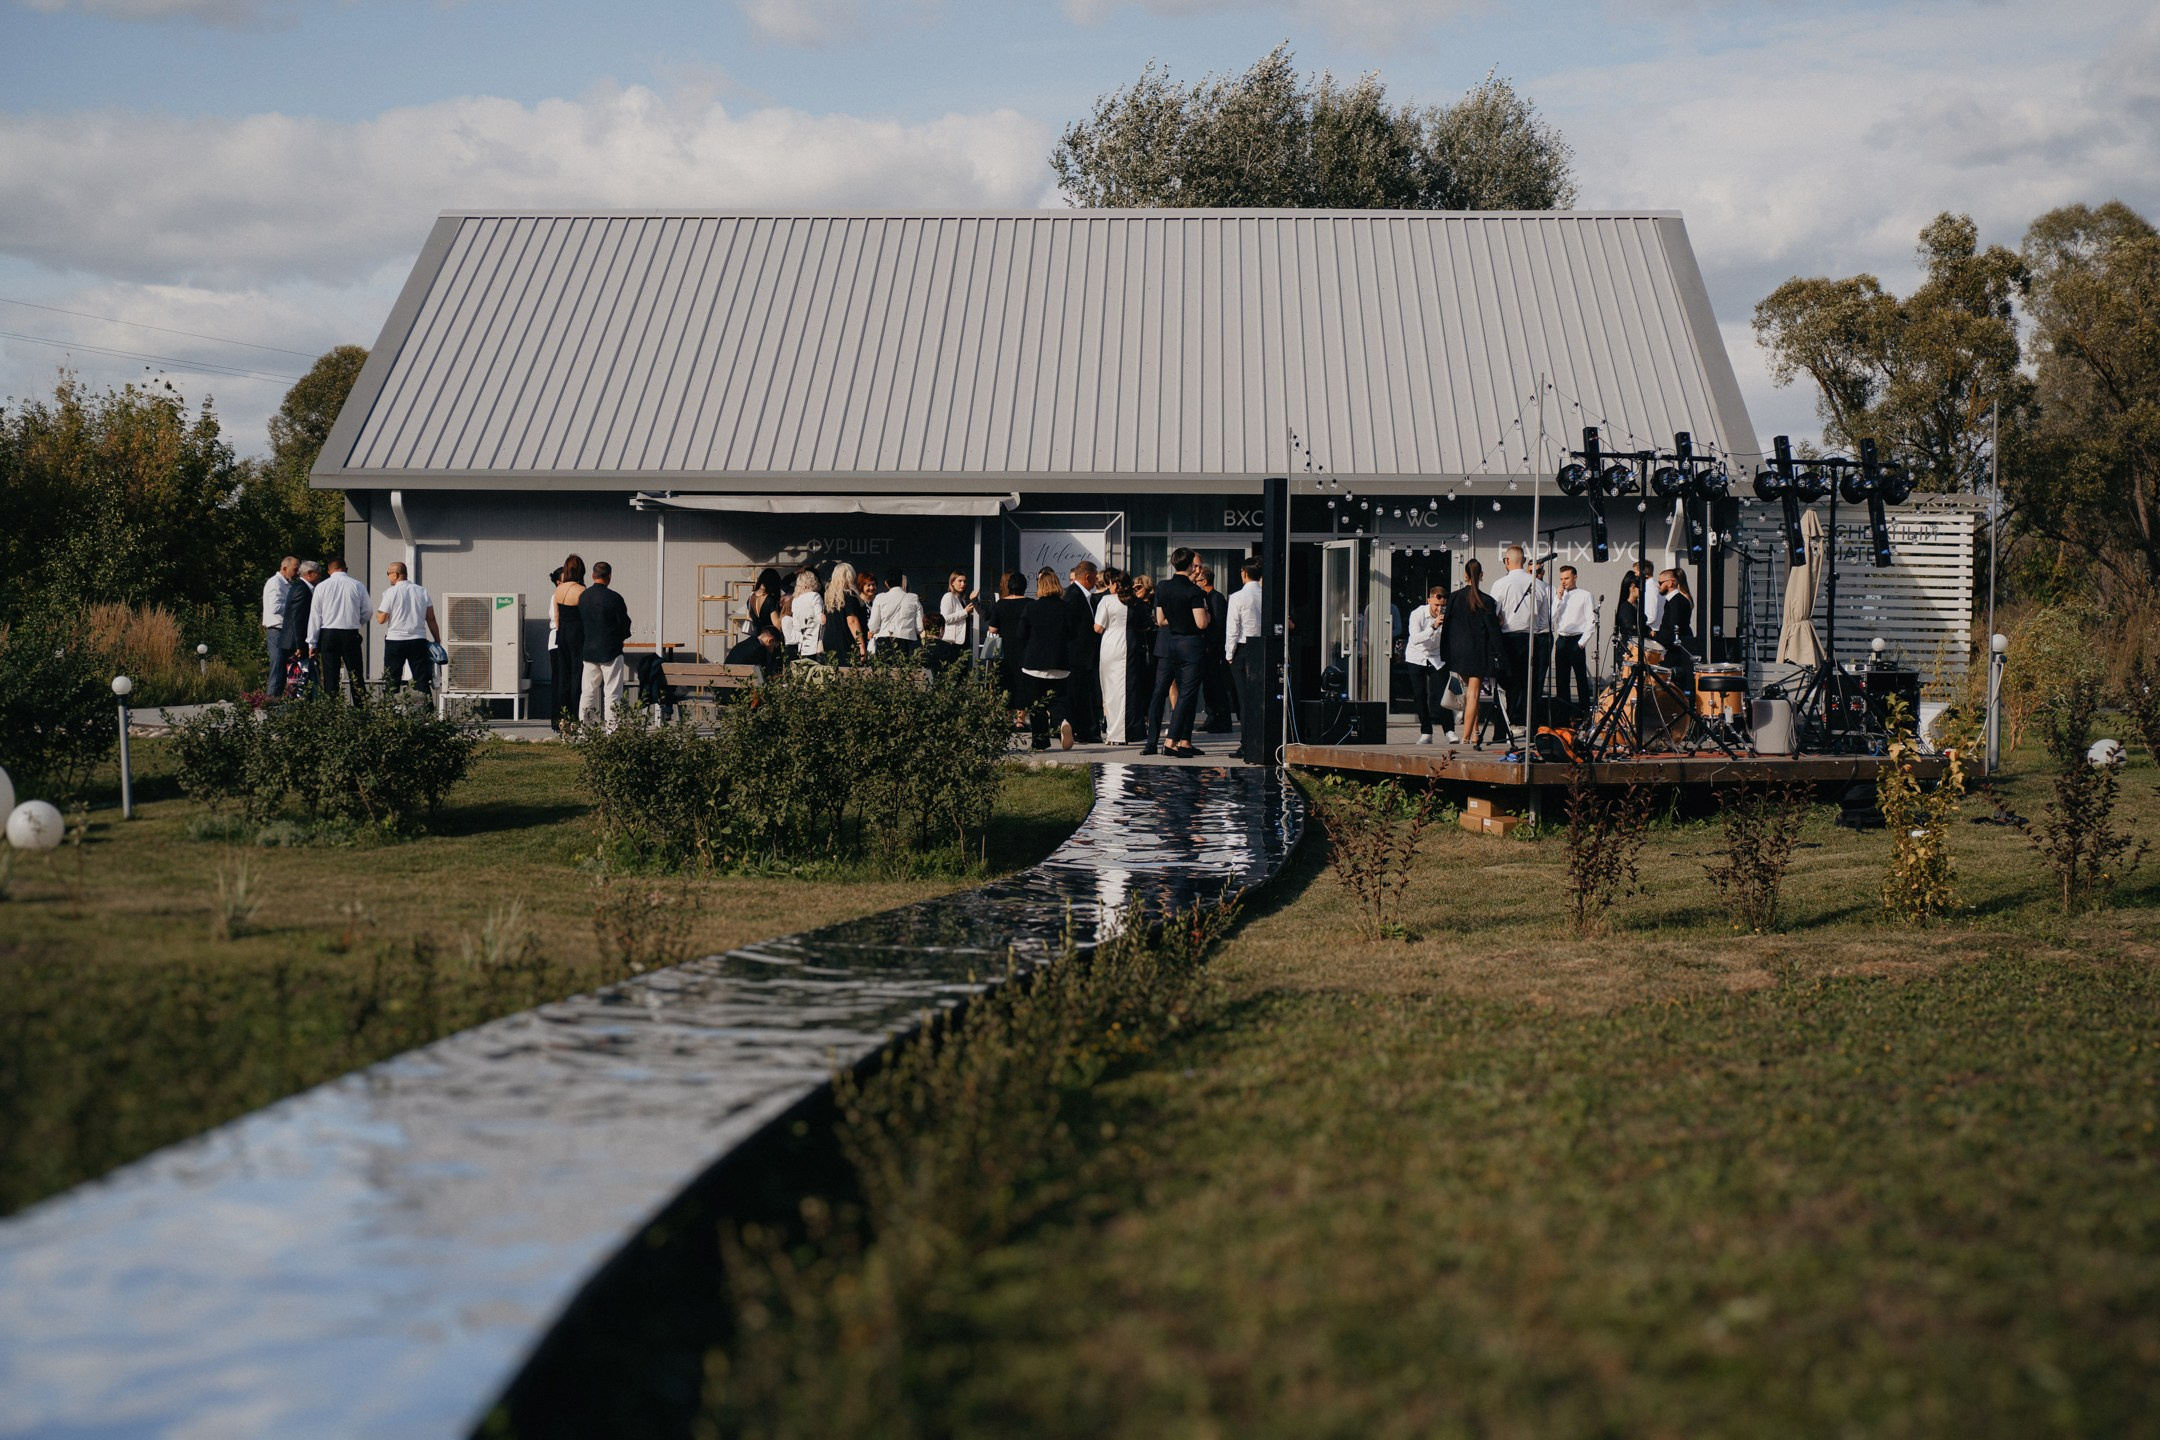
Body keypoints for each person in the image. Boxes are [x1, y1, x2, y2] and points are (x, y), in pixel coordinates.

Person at [1144, 547, 1211, 758]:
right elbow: (1201, 623)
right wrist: (1207, 614)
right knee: (1186, 695)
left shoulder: (1163, 587)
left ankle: (1160, 742)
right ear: (1190, 565)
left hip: (1169, 643)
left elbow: (1161, 620)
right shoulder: (1194, 591)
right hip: (1190, 646)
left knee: (1159, 693)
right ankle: (1173, 740)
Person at [1441, 558, 1509, 749]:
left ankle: (1474, 734)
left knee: (1469, 694)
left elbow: (1447, 627)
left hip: (1458, 652)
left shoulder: (1453, 598)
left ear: (1465, 576)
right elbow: (1494, 632)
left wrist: (1445, 652)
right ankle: (1466, 737)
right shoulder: (1487, 601)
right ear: (1481, 576)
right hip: (1478, 653)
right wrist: (1501, 655)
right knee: (1473, 694)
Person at [1490, 544, 1550, 739]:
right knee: (1531, 684)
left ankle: (1505, 727)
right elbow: (1543, 620)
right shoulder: (1539, 585)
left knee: (1509, 685)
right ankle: (1530, 726)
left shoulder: (1500, 584)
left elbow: (1493, 614)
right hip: (1532, 638)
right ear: (1524, 561)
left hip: (1508, 637)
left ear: (1507, 561)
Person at [1017, 568, 1077, 750]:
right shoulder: (1066, 608)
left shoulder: (1031, 607)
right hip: (1059, 662)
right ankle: (1062, 723)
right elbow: (1072, 633)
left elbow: (1021, 634)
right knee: (1058, 700)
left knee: (1037, 705)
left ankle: (1040, 741)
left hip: (1034, 663)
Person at [577, 560, 634, 731]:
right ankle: (612, 730)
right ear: (609, 576)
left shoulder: (584, 597)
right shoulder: (614, 598)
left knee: (588, 691)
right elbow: (624, 624)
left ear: (593, 576)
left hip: (588, 650)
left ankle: (585, 730)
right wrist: (620, 637)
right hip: (611, 650)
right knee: (612, 693)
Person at [308, 557, 372, 702]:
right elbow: (368, 611)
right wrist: (356, 622)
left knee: (330, 675)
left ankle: (332, 710)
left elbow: (315, 616)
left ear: (329, 571)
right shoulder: (357, 585)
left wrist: (312, 642)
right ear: (346, 569)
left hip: (328, 633)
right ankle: (360, 709)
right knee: (355, 674)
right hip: (350, 633)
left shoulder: (321, 587)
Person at [1225, 558, 1268, 765]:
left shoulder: (1237, 597)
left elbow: (1233, 627)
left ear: (1244, 573)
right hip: (1264, 648)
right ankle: (1262, 740)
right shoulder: (1267, 595)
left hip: (1243, 648)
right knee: (1261, 697)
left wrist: (1229, 653)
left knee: (1244, 699)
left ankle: (1246, 743)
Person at [375, 560, 440, 695]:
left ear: (396, 574)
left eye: (388, 573)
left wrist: (378, 613)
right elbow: (431, 618)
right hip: (418, 639)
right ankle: (425, 710)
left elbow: (381, 619)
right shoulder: (422, 591)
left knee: (392, 678)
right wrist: (437, 639)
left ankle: (390, 711)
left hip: (395, 640)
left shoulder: (390, 592)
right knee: (420, 678)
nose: (387, 576)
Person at [1404, 583, 1451, 745]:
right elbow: (1415, 639)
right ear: (1429, 601)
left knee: (1441, 694)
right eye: (1436, 605)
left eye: (1442, 606)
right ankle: (1426, 731)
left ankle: (1449, 730)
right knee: (1420, 694)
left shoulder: (1447, 615)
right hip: (1417, 656)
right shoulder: (1417, 614)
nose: (1439, 609)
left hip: (1436, 656)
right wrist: (1434, 626)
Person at [1063, 561, 1102, 743]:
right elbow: (1068, 625)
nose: (1096, 581)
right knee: (1079, 695)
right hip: (1077, 655)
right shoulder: (1073, 596)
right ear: (1087, 577)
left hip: (1083, 654)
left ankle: (1085, 730)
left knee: (1084, 694)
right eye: (1095, 577)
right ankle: (1083, 730)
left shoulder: (1082, 595)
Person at [1093, 569, 1131, 745]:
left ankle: (1113, 733)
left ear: (1115, 584)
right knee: (1122, 690)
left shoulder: (1107, 600)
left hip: (1109, 646)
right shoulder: (1132, 601)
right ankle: (1121, 732)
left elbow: (1098, 628)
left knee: (1108, 690)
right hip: (1126, 646)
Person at [1553, 564, 1597, 714]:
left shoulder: (1585, 595)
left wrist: (1581, 643)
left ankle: (1584, 711)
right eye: (1561, 579)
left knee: (1580, 678)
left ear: (1575, 577)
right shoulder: (1559, 596)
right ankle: (1563, 713)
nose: (1563, 582)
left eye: (1566, 578)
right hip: (1561, 638)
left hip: (1576, 639)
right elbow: (1552, 618)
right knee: (1561, 679)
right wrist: (1558, 598)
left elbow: (1592, 620)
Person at [987, 571, 1030, 724]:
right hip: (1025, 648)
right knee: (1022, 682)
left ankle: (1006, 718)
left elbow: (992, 629)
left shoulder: (1001, 604)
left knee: (1005, 681)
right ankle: (1020, 720)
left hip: (1004, 648)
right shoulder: (1030, 603)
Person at [550, 555, 587, 730]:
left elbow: (556, 616)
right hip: (577, 633)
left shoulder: (559, 590)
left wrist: (559, 632)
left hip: (561, 633)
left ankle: (562, 716)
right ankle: (575, 716)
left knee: (563, 676)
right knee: (577, 675)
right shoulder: (581, 590)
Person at [1198, 564, 1234, 733]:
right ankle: (1212, 716)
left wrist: (1214, 647)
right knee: (1209, 686)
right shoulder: (1204, 598)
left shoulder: (1216, 598)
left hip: (1215, 650)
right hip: (1208, 649)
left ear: (1204, 581)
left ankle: (1222, 719)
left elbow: (1219, 625)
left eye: (1198, 580)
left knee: (1218, 686)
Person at [279, 560, 320, 697]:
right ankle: (298, 708)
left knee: (299, 679)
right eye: (317, 573)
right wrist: (300, 645)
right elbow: (298, 619)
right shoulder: (302, 589)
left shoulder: (297, 587)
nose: (320, 576)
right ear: (309, 574)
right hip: (295, 643)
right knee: (298, 680)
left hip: (293, 641)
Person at [262, 555, 297, 698]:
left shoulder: (287, 584)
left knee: (289, 667)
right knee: (277, 666)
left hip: (286, 630)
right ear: (284, 568)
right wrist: (294, 605)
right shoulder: (275, 583)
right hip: (277, 630)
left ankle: (286, 699)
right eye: (294, 569)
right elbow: (275, 607)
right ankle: (271, 699)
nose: (296, 572)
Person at [1656, 568, 1697, 691]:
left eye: (1660, 583)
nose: (1658, 586)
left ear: (1670, 582)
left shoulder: (1676, 601)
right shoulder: (1674, 601)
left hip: (1673, 651)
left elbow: (1673, 628)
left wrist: (1662, 648)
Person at [868, 567, 924, 656]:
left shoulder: (880, 598)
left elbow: (873, 627)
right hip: (907, 642)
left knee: (884, 669)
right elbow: (920, 627)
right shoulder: (913, 598)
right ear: (902, 581)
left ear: (886, 583)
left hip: (884, 641)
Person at [1127, 572, 1157, 741]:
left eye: (1138, 587)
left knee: (1151, 685)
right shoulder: (1133, 604)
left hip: (1152, 647)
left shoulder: (1152, 605)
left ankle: (1149, 716)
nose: (1134, 589)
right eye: (1133, 587)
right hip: (1139, 648)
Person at [823, 561, 868, 662]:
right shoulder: (850, 597)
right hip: (846, 641)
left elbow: (824, 620)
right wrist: (861, 646)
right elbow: (852, 621)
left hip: (830, 640)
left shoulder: (830, 598)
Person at [1612, 569, 1647, 673]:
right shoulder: (1625, 607)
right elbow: (1631, 628)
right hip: (1629, 649)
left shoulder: (1636, 605)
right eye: (1640, 587)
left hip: (1638, 648)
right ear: (1632, 587)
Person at [790, 569, 824, 662]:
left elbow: (796, 626)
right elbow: (821, 619)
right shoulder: (815, 596)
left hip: (802, 646)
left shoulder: (795, 600)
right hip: (815, 645)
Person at [920, 614, 967, 679]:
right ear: (941, 629)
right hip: (939, 685)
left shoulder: (915, 646)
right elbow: (954, 670)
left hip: (917, 685)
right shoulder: (946, 647)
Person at [939, 571, 975, 652]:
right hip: (954, 641)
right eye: (960, 581)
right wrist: (965, 612)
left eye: (965, 581)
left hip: (964, 640)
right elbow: (945, 618)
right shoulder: (948, 596)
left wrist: (970, 615)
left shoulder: (961, 599)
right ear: (952, 582)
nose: (963, 584)